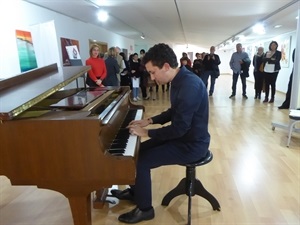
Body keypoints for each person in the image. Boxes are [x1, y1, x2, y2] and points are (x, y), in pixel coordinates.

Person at [111, 43, 210, 223]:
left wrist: (147, 132)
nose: (151, 77)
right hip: (182, 138)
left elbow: (179, 128)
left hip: (192, 145)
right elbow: (174, 111)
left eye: (152, 72)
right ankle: (135, 192)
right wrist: (149, 121)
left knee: (141, 161)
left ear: (165, 66)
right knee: (137, 151)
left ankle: (145, 209)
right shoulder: (180, 79)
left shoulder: (189, 86)